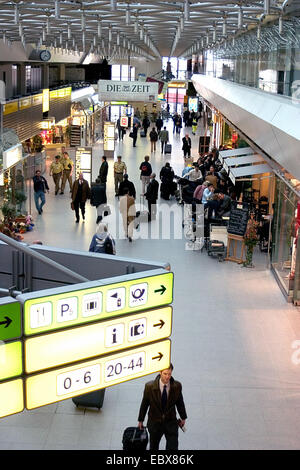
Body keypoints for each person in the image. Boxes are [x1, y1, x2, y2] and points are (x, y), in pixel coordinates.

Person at [137, 363, 187, 451]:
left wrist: (183, 417)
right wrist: (141, 420)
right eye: (165, 374)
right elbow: (145, 403)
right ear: (159, 372)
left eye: (169, 374)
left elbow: (180, 402)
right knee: (154, 447)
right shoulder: (149, 387)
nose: (167, 377)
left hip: (171, 422)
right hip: (155, 423)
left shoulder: (177, 386)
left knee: (173, 447)